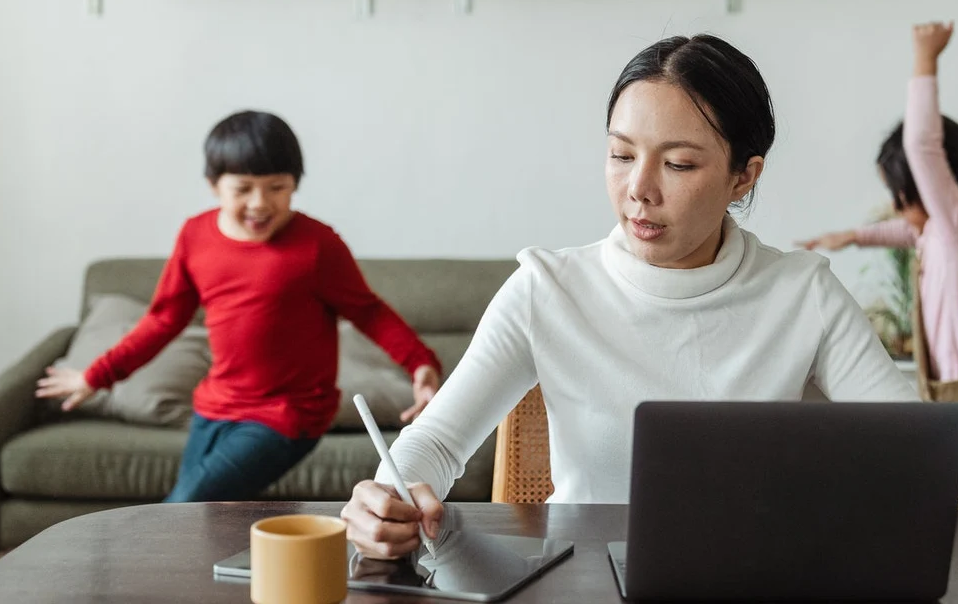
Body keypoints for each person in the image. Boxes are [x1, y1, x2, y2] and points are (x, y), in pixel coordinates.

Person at [341, 34, 920, 559]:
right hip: (580, 582)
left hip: (751, 576)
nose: (639, 189)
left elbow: (913, 451)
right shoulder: (548, 289)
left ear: (744, 176)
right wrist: (388, 496)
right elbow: (438, 442)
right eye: (621, 155)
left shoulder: (802, 292)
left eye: (678, 163)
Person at [37, 111, 443, 502]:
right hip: (215, 406)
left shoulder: (318, 246)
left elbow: (368, 311)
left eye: (277, 187)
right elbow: (163, 319)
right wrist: (98, 375)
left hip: (288, 415)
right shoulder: (195, 236)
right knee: (200, 520)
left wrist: (420, 364)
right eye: (243, 188)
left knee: (183, 508)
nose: (260, 203)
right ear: (215, 185)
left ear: (295, 184)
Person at [799, 22, 958, 510]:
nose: (896, 209)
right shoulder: (955, 232)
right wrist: (853, 236)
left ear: (929, 186)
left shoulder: (957, 224)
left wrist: (925, 58)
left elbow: (921, 145)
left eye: (898, 195)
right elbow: (908, 231)